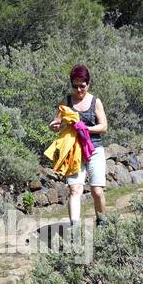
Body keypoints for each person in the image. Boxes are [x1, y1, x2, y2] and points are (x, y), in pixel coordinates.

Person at [48, 64, 109, 227]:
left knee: (97, 191)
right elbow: (57, 122)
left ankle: (102, 222)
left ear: (88, 84)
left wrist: (85, 128)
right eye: (75, 86)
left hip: (94, 148)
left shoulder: (95, 102)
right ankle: (74, 227)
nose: (79, 90)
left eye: (82, 86)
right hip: (74, 150)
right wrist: (54, 125)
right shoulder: (66, 102)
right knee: (74, 190)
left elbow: (103, 127)